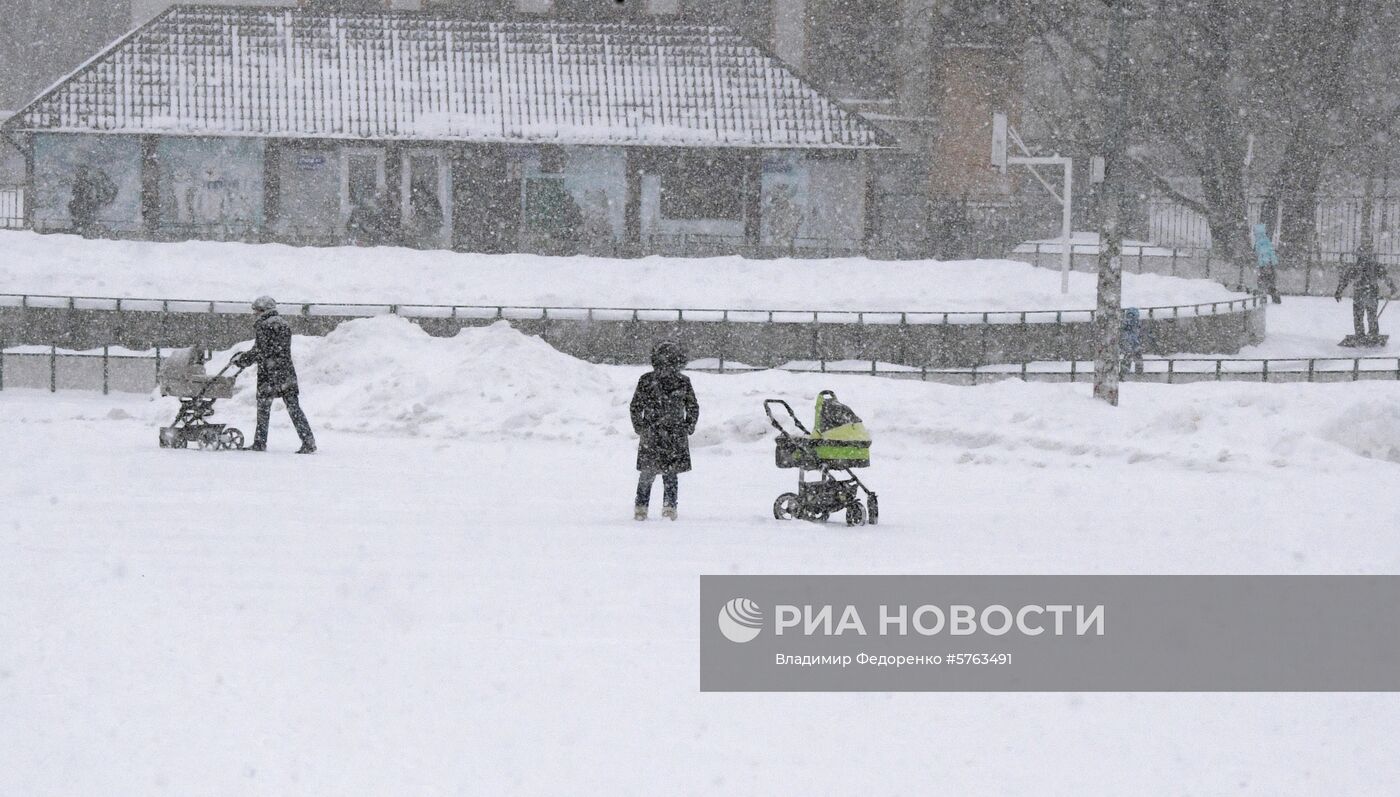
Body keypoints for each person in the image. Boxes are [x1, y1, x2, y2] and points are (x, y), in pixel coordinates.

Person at [233, 296, 317, 453]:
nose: (254, 314)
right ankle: (308, 441)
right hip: (285, 372)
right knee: (294, 408)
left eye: (255, 311)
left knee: (263, 408)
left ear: (262, 310)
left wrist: (243, 360)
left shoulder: (264, 325)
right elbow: (275, 349)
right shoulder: (283, 324)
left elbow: (260, 350)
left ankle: (260, 442)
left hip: (269, 373)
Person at [630, 341, 699, 521]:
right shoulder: (651, 380)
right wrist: (688, 426)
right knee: (663, 473)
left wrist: (688, 425)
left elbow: (692, 406)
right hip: (662, 433)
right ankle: (662, 507)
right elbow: (636, 406)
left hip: (661, 433)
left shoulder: (676, 381)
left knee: (657, 473)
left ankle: (645, 507)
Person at [1336, 241, 1397, 345]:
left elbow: (1345, 280)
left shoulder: (1356, 267)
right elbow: (1385, 277)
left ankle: (1361, 335)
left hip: (1360, 293)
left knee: (1359, 316)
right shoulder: (1375, 266)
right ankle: (1373, 334)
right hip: (1371, 293)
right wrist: (1392, 286)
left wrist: (1339, 291)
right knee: (1371, 315)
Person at [68, 164, 117, 238]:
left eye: (83, 172)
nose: (80, 175)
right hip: (79, 226)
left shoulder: (95, 185)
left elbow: (108, 194)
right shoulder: (72, 186)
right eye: (79, 173)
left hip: (91, 225)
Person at [1252, 222, 1281, 304]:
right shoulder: (1267, 240)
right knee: (1271, 282)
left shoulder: (1259, 243)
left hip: (1264, 265)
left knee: (1262, 282)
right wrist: (1273, 263)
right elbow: (1272, 252)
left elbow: (1259, 254)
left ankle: (1263, 298)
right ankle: (1276, 297)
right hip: (1271, 265)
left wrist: (1261, 264)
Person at [1120, 307, 1149, 377]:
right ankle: (1138, 374)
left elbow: (1123, 332)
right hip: (1135, 343)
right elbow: (1139, 333)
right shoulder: (1137, 323)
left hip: (1129, 343)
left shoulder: (1126, 323)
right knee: (1137, 359)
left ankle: (1123, 374)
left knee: (1127, 359)